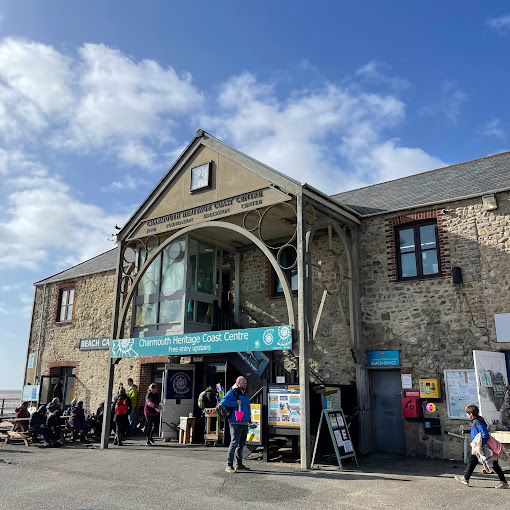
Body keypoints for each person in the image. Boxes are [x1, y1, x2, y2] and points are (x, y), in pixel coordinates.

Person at [455, 404, 509, 489]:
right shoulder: (477, 421)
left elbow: (485, 434)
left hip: (482, 447)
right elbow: (475, 431)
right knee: (492, 463)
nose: (466, 415)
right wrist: (467, 431)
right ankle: (504, 482)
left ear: (471, 414)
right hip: (482, 446)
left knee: (472, 460)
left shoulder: (478, 422)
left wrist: (480, 445)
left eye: (467, 413)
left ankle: (466, 478)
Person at [221, 376, 251, 473]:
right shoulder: (233, 392)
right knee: (234, 443)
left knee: (241, 444)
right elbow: (223, 401)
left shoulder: (244, 392)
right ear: (238, 383)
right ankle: (229, 465)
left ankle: (239, 464)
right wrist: (235, 403)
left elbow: (247, 406)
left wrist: (249, 418)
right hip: (235, 421)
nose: (245, 385)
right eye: (244, 383)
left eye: (246, 383)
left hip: (244, 422)